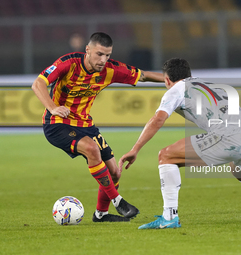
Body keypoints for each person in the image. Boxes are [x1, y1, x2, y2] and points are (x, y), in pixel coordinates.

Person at [119, 58, 241, 229]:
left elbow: (158, 120)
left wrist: (135, 149)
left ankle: (169, 217)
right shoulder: (212, 86)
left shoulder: (174, 91)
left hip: (228, 137)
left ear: (167, 79)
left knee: (166, 156)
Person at [32, 32, 164, 223]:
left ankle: (100, 214)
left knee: (114, 173)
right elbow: (38, 84)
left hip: (86, 125)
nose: (103, 60)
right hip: (57, 124)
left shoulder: (110, 70)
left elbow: (143, 75)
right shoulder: (68, 63)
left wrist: (173, 81)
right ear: (88, 50)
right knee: (91, 149)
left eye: (107, 55)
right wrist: (53, 108)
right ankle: (118, 201)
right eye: (99, 54)